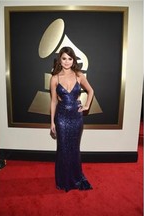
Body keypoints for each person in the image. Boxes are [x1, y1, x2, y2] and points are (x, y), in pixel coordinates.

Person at [50, 46, 94, 192]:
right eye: (64, 58)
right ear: (60, 60)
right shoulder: (55, 78)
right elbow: (54, 101)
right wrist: (52, 122)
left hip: (76, 117)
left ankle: (75, 177)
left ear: (73, 60)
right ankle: (63, 180)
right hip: (61, 117)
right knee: (62, 148)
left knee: (74, 148)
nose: (67, 61)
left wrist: (87, 105)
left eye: (70, 58)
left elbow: (90, 90)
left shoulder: (79, 75)